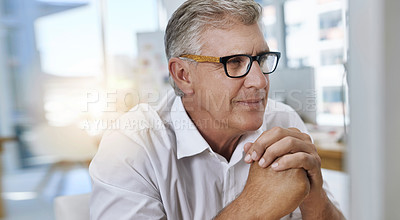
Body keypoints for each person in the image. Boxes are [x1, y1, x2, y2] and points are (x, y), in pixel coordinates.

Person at [89, 0, 345, 219]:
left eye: (261, 60)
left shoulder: (283, 121)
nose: (260, 81)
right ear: (182, 75)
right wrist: (252, 207)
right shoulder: (131, 146)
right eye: (234, 62)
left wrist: (315, 198)